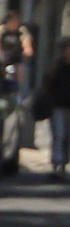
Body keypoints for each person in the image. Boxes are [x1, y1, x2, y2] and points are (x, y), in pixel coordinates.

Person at [37, 38, 70, 179]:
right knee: (58, 135)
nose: (64, 51)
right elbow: (47, 83)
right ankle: (57, 165)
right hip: (57, 105)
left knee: (66, 137)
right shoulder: (56, 65)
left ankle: (62, 164)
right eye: (63, 48)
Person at [0, 9, 33, 90]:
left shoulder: (21, 30)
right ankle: (0, 84)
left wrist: (27, 49)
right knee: (0, 68)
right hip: (4, 55)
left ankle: (19, 90)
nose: (14, 24)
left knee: (20, 70)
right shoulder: (1, 30)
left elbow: (26, 40)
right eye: (12, 21)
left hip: (16, 56)